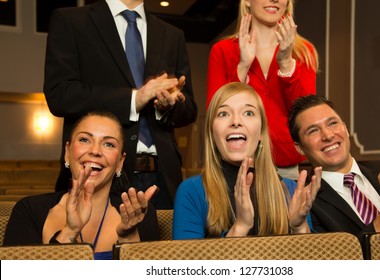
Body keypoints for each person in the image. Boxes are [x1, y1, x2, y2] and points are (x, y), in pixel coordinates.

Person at [43, 0, 198, 209]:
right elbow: (60, 94)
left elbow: (189, 110)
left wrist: (166, 106)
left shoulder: (172, 34)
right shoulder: (71, 20)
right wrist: (134, 99)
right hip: (98, 174)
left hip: (163, 178)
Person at [173, 82, 322, 240]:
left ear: (260, 133)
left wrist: (299, 228)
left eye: (248, 113)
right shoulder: (192, 191)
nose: (236, 121)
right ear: (212, 134)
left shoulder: (292, 191)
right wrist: (240, 227)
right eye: (223, 114)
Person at [4, 111, 160, 259]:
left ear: (120, 162)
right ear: (67, 152)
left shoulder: (139, 214)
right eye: (85, 140)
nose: (95, 151)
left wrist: (129, 237)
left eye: (109, 144)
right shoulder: (29, 210)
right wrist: (69, 232)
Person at [288, 95, 380, 241]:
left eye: (332, 123)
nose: (328, 135)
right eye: (313, 130)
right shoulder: (306, 202)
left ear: (345, 129)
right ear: (300, 148)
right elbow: (339, 262)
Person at [207, 0, 318, 180]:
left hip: (286, 168)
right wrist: (242, 66)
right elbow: (215, 113)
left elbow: (306, 115)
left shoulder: (304, 52)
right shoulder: (223, 51)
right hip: (236, 165)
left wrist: (286, 64)